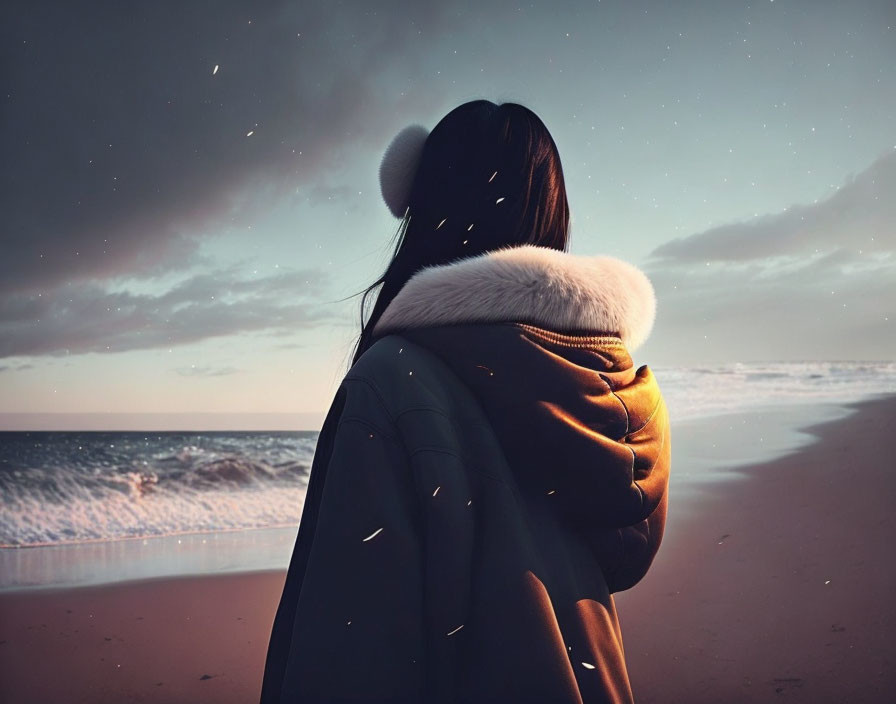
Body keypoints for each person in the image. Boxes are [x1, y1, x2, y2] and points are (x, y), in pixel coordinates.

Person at [259, 100, 670, 704]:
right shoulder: (610, 386)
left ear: (425, 211)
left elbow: (351, 645)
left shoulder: (393, 380)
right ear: (554, 217)